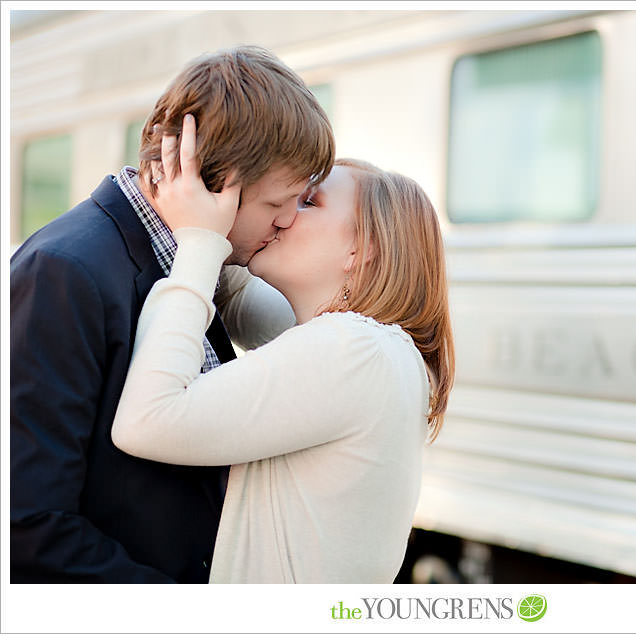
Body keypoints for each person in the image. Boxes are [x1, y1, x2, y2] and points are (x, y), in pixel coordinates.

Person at [10, 46, 334, 582]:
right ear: (210, 181)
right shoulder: (65, 272)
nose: (286, 222)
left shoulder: (193, 257)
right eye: (278, 204)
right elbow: (27, 523)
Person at [110, 115, 454, 583]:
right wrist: (226, 211)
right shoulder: (376, 350)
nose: (285, 215)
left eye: (308, 201)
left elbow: (145, 422)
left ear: (363, 247)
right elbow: (230, 293)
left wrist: (199, 240)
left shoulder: (358, 350)